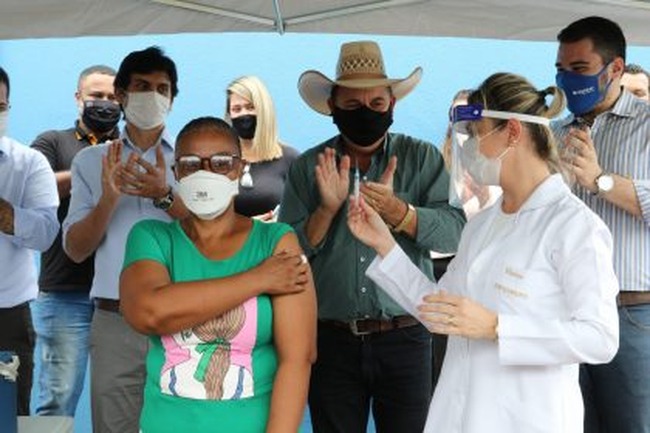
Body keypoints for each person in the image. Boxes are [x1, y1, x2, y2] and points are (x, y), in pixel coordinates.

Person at [348, 72, 620, 433]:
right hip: (460, 414)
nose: (470, 150)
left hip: (528, 418)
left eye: (477, 136)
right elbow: (443, 311)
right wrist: (383, 243)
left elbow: (599, 338)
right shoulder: (481, 224)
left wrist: (497, 328)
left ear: (512, 131)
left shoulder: (573, 227)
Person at [280, 40, 466, 433]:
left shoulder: (423, 158)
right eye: (351, 106)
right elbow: (288, 254)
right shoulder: (308, 168)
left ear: (392, 106)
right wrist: (326, 210)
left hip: (405, 335)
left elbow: (455, 231)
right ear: (332, 107)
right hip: (332, 340)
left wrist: (400, 213)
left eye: (376, 105)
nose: (365, 113)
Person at [119, 116, 316, 433]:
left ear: (240, 168)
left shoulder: (276, 241)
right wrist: (259, 279)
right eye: (191, 163)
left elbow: (299, 358)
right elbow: (147, 312)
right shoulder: (152, 237)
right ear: (176, 173)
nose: (206, 173)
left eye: (222, 162)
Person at [63, 47, 187, 433]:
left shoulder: (191, 157)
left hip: (182, 318)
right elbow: (76, 249)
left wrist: (164, 195)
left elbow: (211, 238)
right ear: (121, 93)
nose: (153, 95)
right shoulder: (89, 162)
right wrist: (109, 199)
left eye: (162, 88)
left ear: (173, 98)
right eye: (142, 86)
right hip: (115, 321)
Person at [553, 16, 650, 433]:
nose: (566, 80)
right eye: (560, 69)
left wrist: (600, 180)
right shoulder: (553, 133)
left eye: (579, 69)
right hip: (564, 313)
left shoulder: (647, 127)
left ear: (615, 69)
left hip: (632, 315)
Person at [30, 64, 120, 417]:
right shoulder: (53, 141)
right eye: (96, 96)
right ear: (78, 98)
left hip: (120, 298)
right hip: (65, 293)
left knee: (123, 397)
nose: (105, 103)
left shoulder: (133, 148)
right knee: (58, 396)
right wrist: (91, 166)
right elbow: (37, 187)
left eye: (113, 97)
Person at [0, 66, 59, 415]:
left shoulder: (29, 163)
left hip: (7, 316)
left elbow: (46, 234)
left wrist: (7, 214)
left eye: (0, 106)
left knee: (6, 414)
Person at [225, 75, 299, 220]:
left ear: (264, 110)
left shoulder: (291, 159)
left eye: (250, 107)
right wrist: (247, 229)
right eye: (236, 109)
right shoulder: (218, 161)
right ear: (229, 114)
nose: (244, 114)